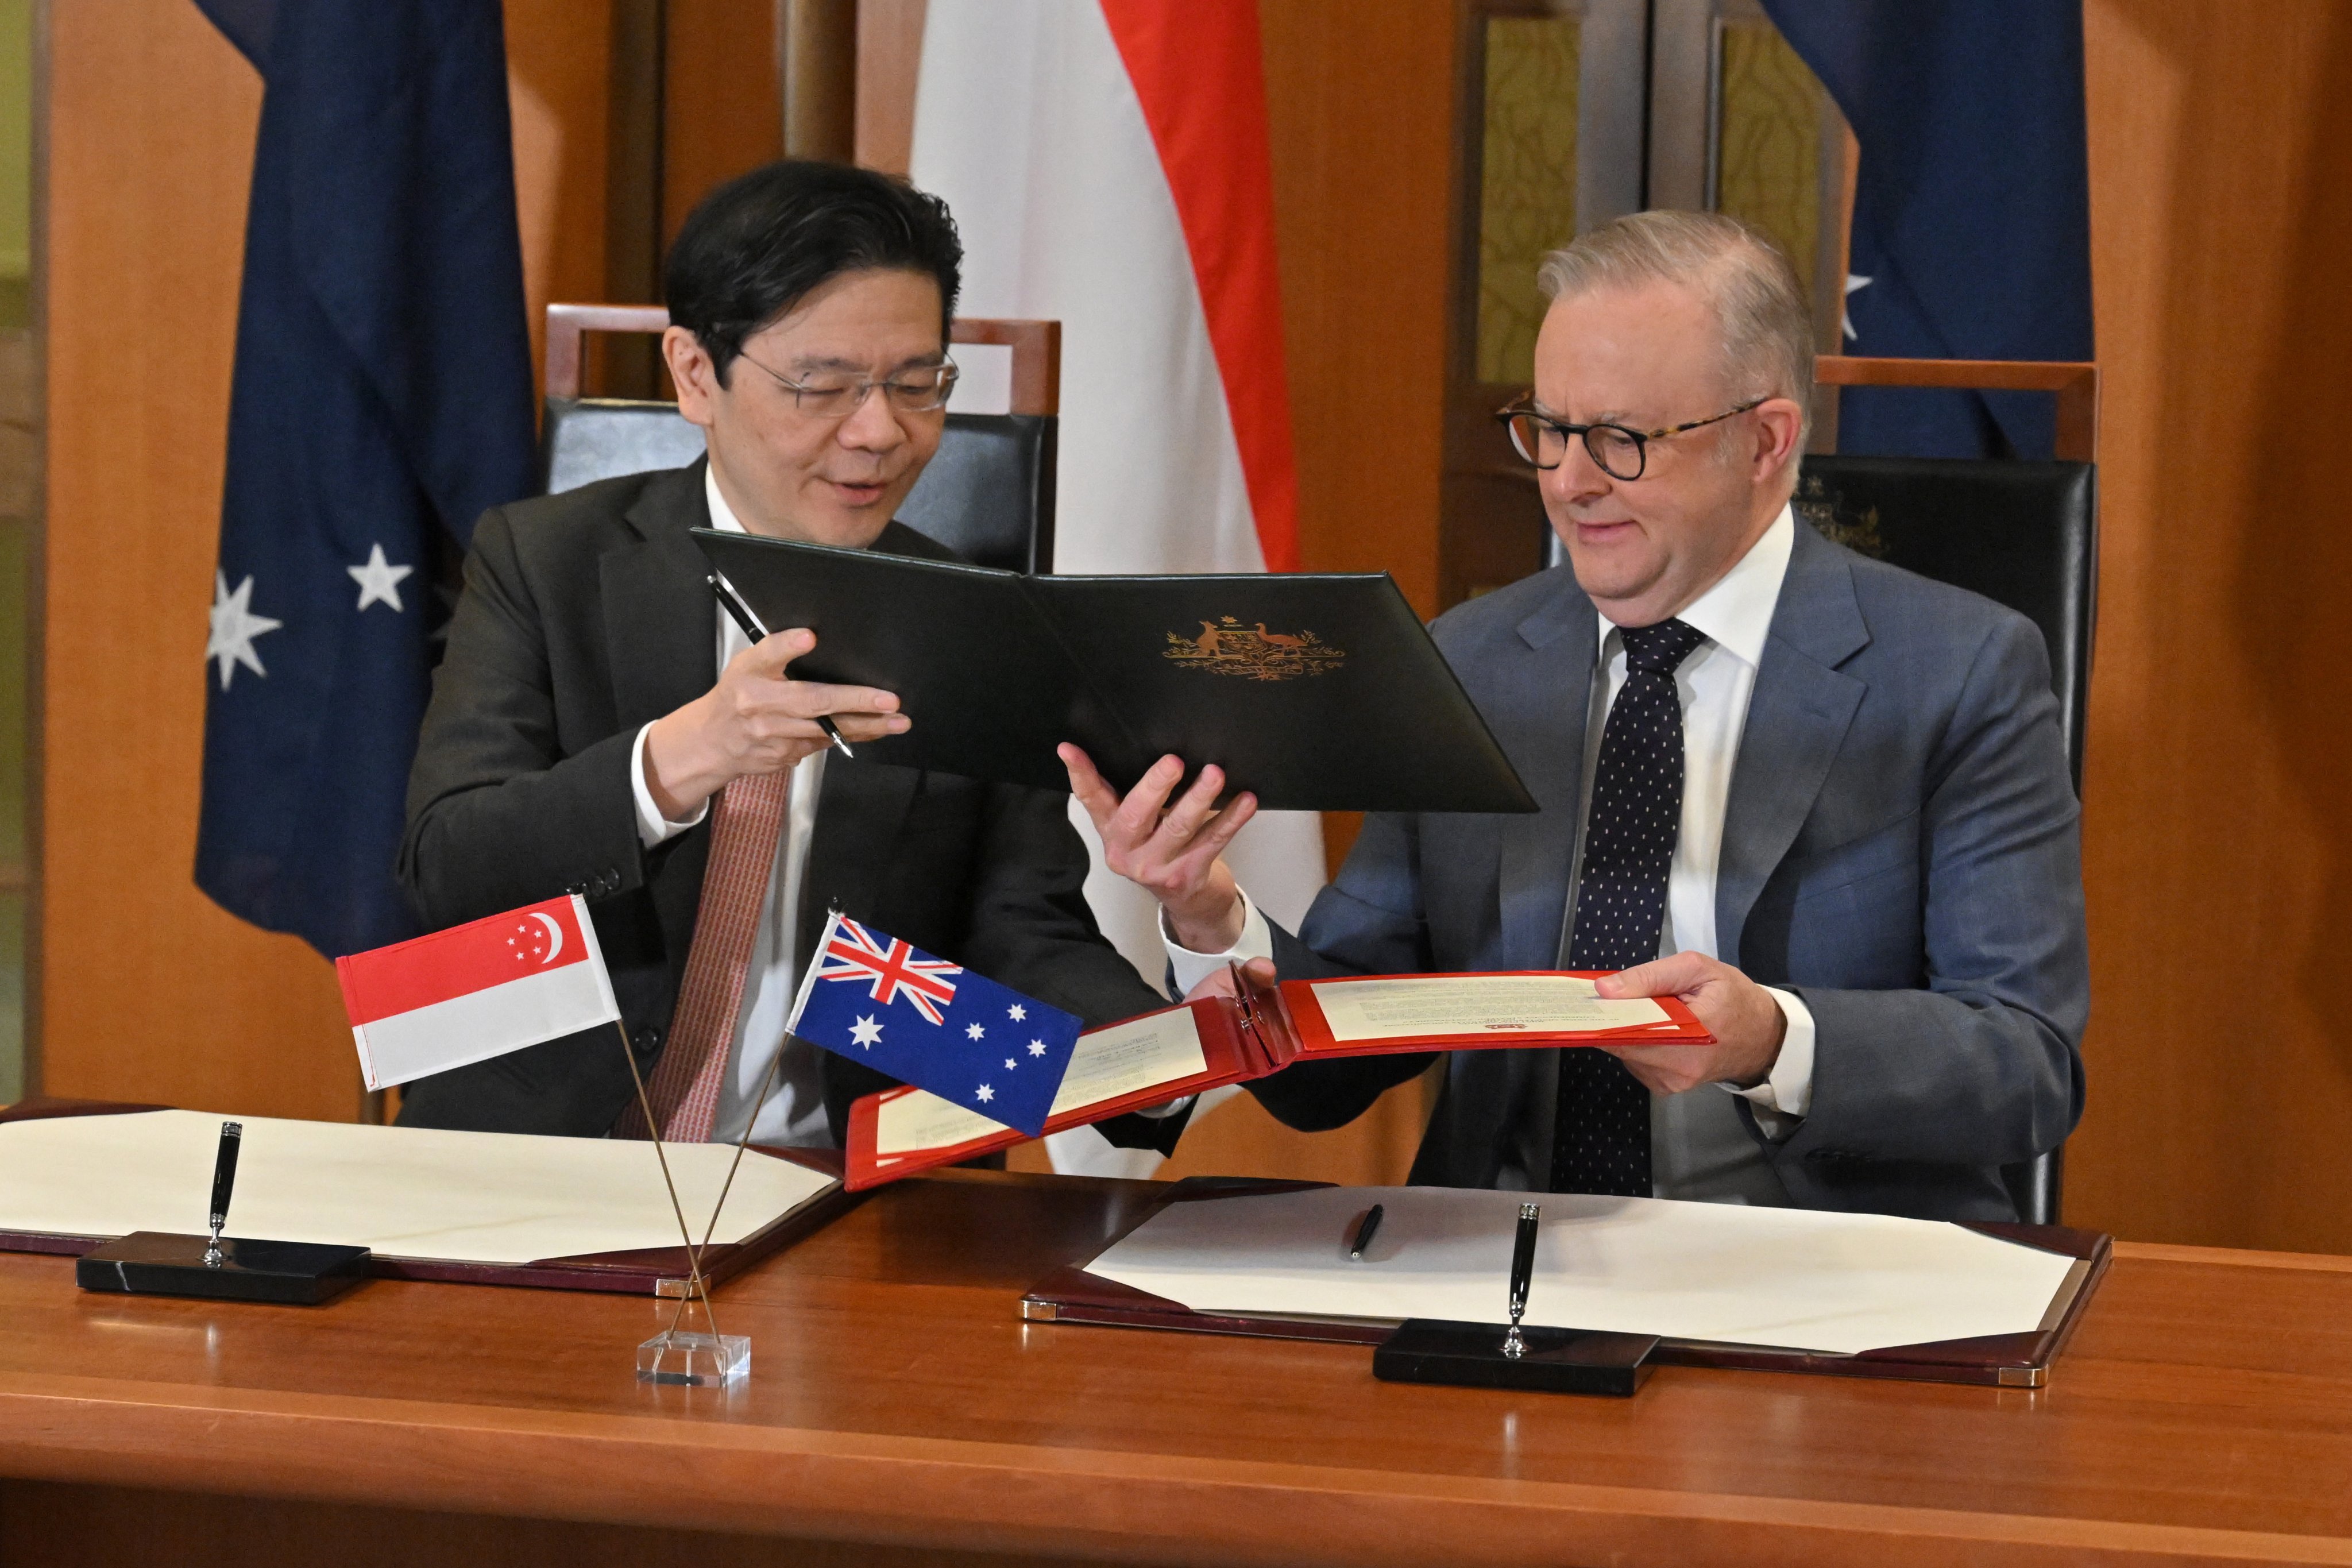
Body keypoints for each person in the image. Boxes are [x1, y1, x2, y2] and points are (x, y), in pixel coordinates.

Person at [1064, 211, 2087, 1220]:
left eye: (1621, 439)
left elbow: (2025, 1065)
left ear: (1766, 441)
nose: (1568, 480)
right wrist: (1208, 913)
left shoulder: (1959, 672)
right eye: (1550, 430)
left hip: (1813, 1270)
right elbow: (1325, 1075)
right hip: (1502, 1266)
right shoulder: (1470, 658)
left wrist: (1774, 1038)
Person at [397, 160, 1174, 1148]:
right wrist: (679, 761)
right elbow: (445, 869)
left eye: (916, 383)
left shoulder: (985, 629)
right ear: (694, 374)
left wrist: (1160, 1062)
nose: (879, 431)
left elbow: (1013, 942)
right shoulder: (544, 564)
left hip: (827, 1186)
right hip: (536, 1164)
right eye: (822, 386)